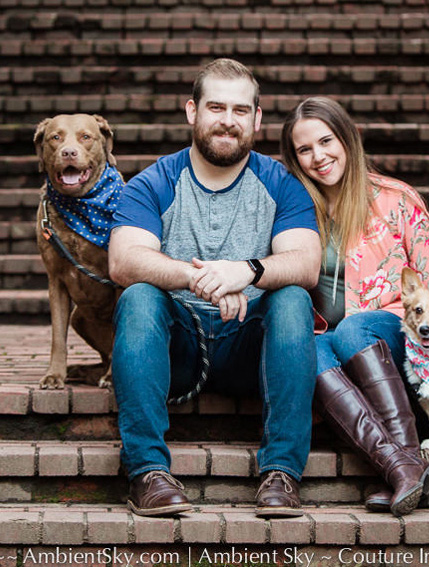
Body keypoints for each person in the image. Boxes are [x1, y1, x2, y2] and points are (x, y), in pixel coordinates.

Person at [108, 59, 322, 518]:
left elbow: (305, 262)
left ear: (257, 119)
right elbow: (124, 260)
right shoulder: (154, 182)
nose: (228, 120)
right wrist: (200, 278)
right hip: (178, 348)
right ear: (192, 112)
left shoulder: (281, 184)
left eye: (241, 110)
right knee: (139, 297)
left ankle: (281, 472)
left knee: (293, 298)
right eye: (217, 107)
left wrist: (245, 271)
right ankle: (147, 472)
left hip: (251, 346)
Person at [280, 96, 429, 515]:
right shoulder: (293, 208)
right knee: (308, 347)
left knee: (353, 329)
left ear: (348, 139)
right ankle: (406, 469)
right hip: (329, 344)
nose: (319, 157)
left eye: (326, 141)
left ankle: (405, 457)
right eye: (304, 149)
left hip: (394, 337)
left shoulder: (394, 200)